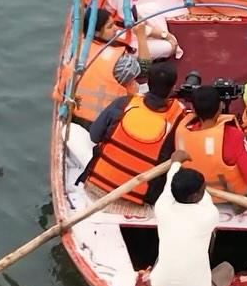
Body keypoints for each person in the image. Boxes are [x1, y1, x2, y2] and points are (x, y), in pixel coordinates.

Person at [80, 62, 187, 205]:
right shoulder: (178, 120)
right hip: (139, 202)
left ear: (147, 83)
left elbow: (94, 136)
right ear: (173, 88)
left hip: (97, 190)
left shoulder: (122, 104)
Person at [150, 151, 234, 286]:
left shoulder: (162, 206)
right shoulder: (209, 214)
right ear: (196, 195)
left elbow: (170, 183)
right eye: (203, 188)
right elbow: (203, 196)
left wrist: (175, 162)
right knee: (227, 269)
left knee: (161, 259)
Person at [175, 85, 247, 195]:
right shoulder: (233, 136)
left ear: (193, 108)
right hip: (230, 198)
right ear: (221, 106)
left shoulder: (182, 132)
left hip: (195, 195)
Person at [71, 7, 148, 126]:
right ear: (96, 33)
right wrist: (141, 36)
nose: (116, 29)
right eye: (110, 26)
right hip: (107, 121)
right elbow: (144, 69)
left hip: (77, 115)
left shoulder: (75, 50)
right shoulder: (119, 62)